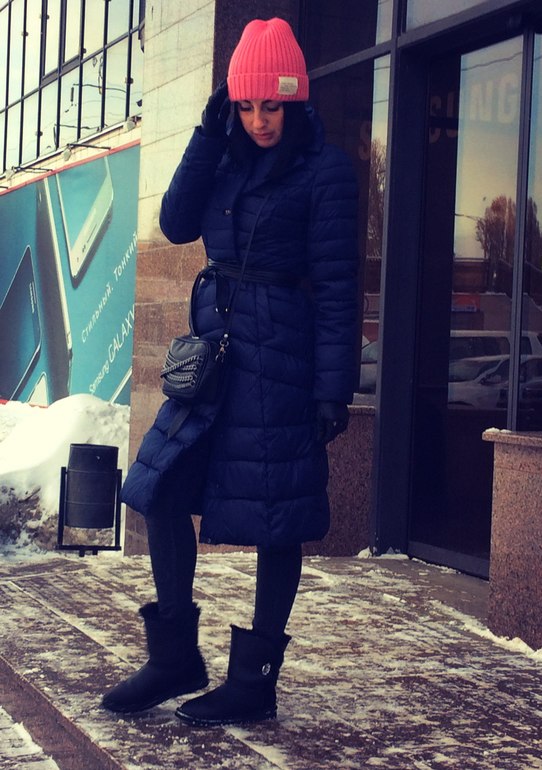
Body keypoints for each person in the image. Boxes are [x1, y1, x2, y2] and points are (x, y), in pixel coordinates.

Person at [101, 17, 359, 726]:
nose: (259, 120)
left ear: (294, 101)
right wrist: (206, 135)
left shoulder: (326, 170)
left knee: (278, 519)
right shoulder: (225, 156)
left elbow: (338, 287)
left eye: (270, 106)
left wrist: (332, 389)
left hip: (282, 360)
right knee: (158, 488)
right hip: (213, 357)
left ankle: (254, 683)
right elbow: (176, 223)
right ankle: (174, 659)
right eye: (244, 106)